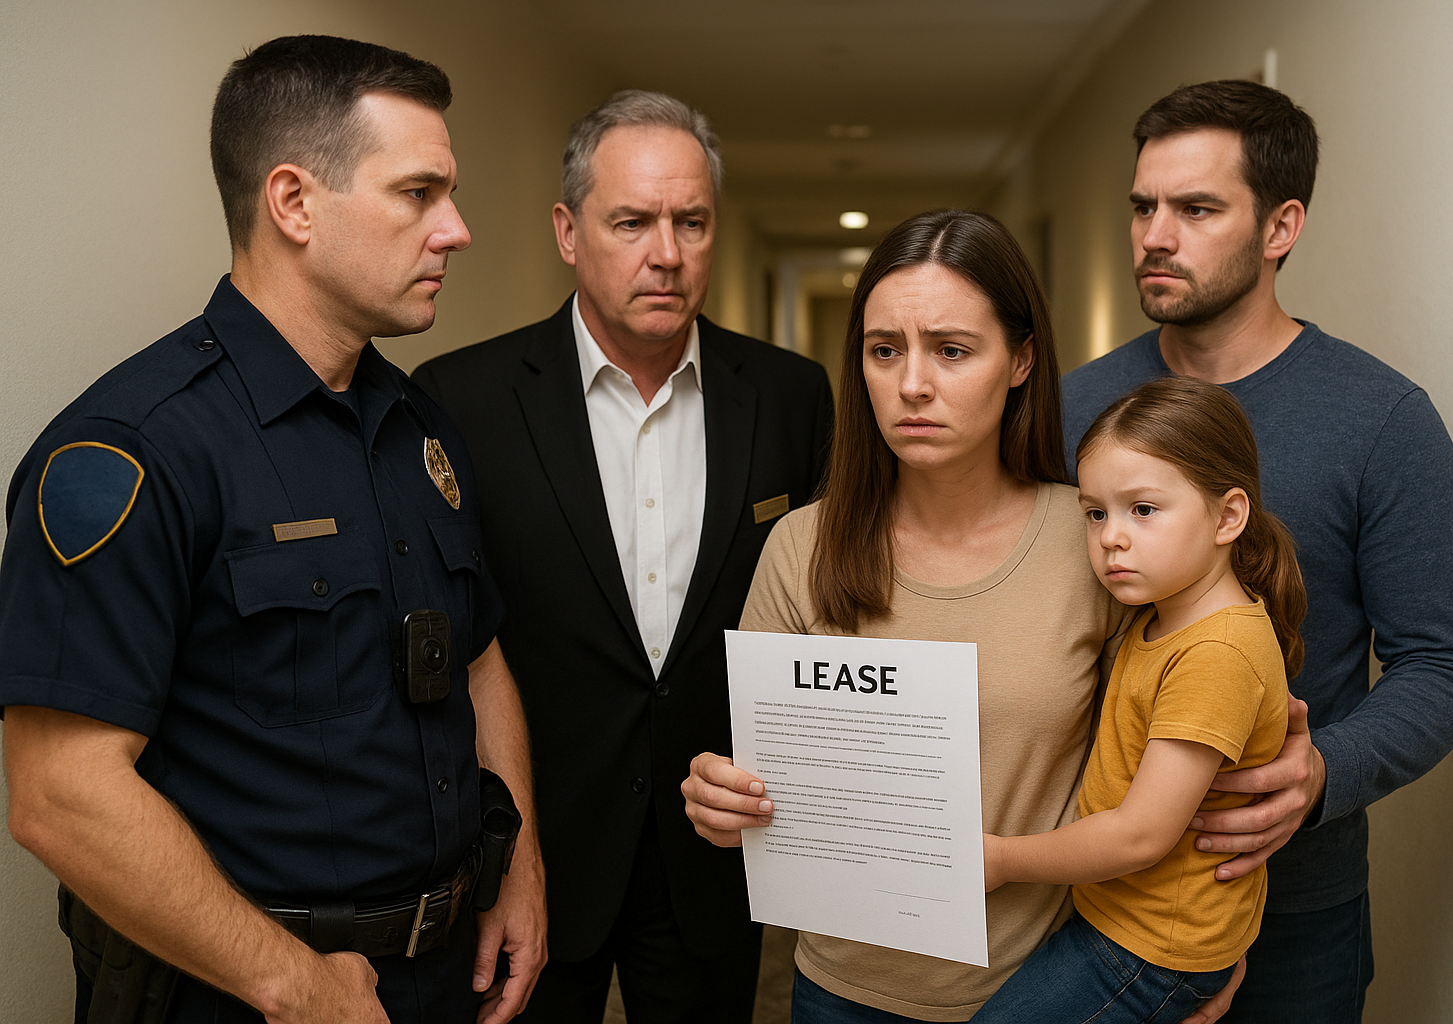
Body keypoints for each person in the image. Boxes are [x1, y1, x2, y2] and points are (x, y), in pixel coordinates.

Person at [0, 35, 546, 1024]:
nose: (457, 230)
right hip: (246, 993)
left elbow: (477, 659)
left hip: (438, 975)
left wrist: (519, 869)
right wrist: (297, 987)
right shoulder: (135, 448)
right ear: (293, 202)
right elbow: (59, 791)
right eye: (418, 194)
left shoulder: (417, 423)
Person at [686, 208, 1252, 1024]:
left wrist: (1188, 961)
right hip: (842, 990)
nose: (913, 383)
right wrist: (723, 798)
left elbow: (1189, 740)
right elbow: (764, 778)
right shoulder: (800, 547)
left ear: (1021, 360)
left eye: (952, 350)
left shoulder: (1098, 541)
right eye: (885, 351)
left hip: (1044, 981)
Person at [1060, 79, 1453, 1023]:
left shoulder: (1381, 420)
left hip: (1292, 903)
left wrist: (1323, 771)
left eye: (1196, 208)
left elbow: (1447, 662)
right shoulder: (1072, 407)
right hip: (1092, 890)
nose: (1154, 236)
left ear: (1281, 226)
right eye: (1143, 206)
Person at [411, 90, 834, 1023]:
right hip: (533, 849)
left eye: (691, 221)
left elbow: (823, 617)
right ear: (568, 231)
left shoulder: (790, 396)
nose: (667, 253)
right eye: (632, 222)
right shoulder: (462, 399)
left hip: (714, 850)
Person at [971, 376, 1301, 1023]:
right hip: (1126, 922)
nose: (1111, 538)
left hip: (1151, 949)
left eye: (1142, 510)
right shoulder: (1164, 616)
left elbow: (1140, 836)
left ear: (1228, 517)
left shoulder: (1216, 652)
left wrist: (1003, 859)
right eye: (1095, 513)